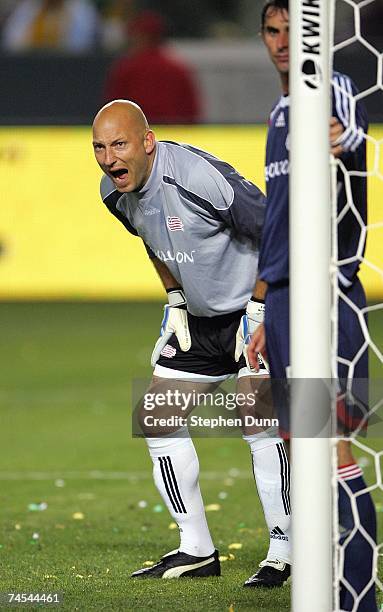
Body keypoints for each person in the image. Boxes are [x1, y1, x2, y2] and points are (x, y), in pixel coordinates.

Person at [92, 99, 291, 585]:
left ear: (147, 142)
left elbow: (275, 232)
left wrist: (262, 308)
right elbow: (150, 238)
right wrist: (176, 298)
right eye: (99, 147)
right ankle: (196, 549)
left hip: (255, 311)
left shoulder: (199, 177)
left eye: (119, 145)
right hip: (201, 322)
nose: (109, 158)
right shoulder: (113, 192)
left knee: (257, 414)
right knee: (157, 416)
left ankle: (287, 551)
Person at [247, 1, 377, 609]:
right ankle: (329, 589)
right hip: (286, 303)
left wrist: (340, 137)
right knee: (303, 450)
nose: (282, 43)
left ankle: (357, 598)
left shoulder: (333, 87)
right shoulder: (276, 113)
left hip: (331, 297)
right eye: (272, 31)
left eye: (291, 31)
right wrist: (264, 309)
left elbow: (351, 131)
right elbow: (279, 223)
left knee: (335, 449)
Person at [102, 10, 201, 124]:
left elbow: (112, 111)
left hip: (136, 136)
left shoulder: (126, 68)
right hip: (174, 136)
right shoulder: (177, 68)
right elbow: (192, 114)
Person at [1, 0, 100, 53]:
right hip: (31, 67)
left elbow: (84, 46)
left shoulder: (82, 10)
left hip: (68, 69)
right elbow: (11, 43)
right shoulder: (28, 8)